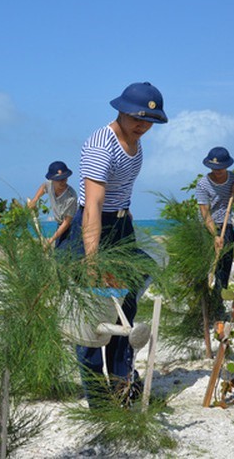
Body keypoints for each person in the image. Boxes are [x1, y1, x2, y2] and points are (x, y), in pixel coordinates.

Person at [60, 81, 168, 408]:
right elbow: (92, 206)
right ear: (120, 110)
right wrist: (92, 262)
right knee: (92, 318)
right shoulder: (100, 146)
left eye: (149, 121)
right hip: (93, 228)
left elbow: (122, 193)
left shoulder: (136, 142)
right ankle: (99, 401)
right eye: (137, 118)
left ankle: (123, 385)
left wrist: (127, 225)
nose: (142, 125)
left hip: (122, 225)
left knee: (127, 308)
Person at [195, 146, 234, 319]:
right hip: (208, 228)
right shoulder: (203, 184)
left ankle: (218, 305)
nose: (217, 172)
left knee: (223, 270)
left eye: (220, 168)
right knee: (206, 268)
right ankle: (202, 306)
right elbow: (205, 213)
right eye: (214, 169)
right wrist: (214, 235)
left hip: (227, 226)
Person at [27, 161, 78, 247]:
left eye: (64, 178)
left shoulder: (71, 197)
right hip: (59, 225)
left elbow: (66, 222)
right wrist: (35, 200)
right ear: (52, 179)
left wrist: (50, 241)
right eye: (59, 180)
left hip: (71, 227)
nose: (62, 182)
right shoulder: (50, 184)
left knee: (63, 253)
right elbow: (44, 187)